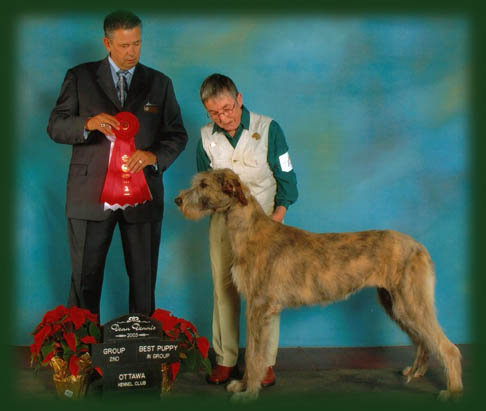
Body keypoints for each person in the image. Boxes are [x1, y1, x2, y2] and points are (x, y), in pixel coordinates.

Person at [47, 10, 187, 317]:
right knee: (85, 279)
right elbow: (56, 126)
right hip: (90, 195)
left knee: (143, 281)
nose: (132, 52)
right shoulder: (79, 77)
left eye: (137, 43)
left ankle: (141, 343)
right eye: (124, 45)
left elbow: (177, 134)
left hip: (143, 194)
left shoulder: (160, 83)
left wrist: (154, 157)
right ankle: (82, 344)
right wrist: (88, 123)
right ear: (107, 43)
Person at [196, 73, 298, 387]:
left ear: (239, 99)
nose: (222, 117)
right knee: (223, 288)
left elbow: (287, 177)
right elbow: (204, 185)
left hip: (265, 222)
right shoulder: (206, 137)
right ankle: (225, 359)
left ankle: (263, 362)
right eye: (214, 112)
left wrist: (278, 216)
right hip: (223, 223)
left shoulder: (269, 129)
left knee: (266, 293)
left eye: (227, 108)